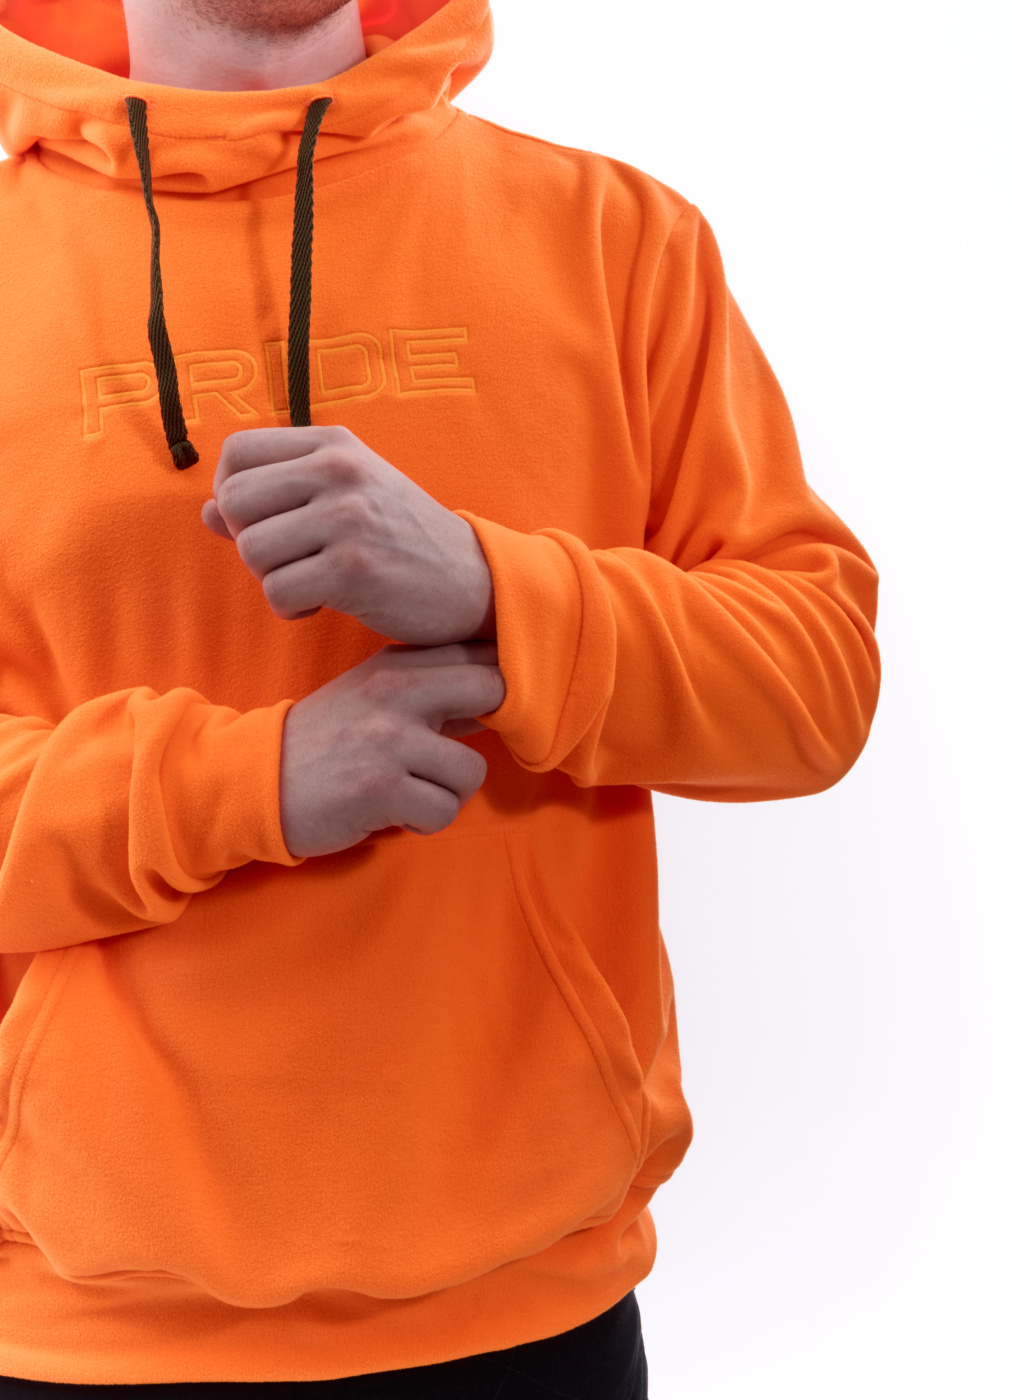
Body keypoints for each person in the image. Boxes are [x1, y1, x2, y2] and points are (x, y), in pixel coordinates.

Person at [0, 0, 881, 1395]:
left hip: (533, 1312)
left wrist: (490, 588)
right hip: (86, 1329)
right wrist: (250, 783)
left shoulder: (617, 239)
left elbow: (814, 686)